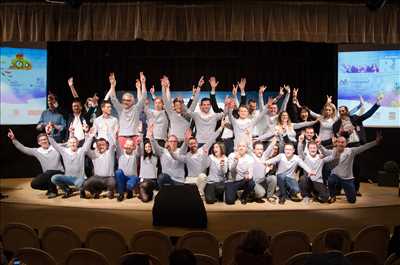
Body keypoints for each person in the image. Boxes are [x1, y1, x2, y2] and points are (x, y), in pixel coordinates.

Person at [324, 132, 382, 204]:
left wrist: (376, 142)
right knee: (330, 180)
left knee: (352, 200)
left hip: (347, 179)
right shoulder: (333, 151)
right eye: (339, 142)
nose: (340, 144)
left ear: (346, 143)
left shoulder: (351, 151)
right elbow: (324, 151)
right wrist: (318, 145)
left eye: (342, 142)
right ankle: (332, 196)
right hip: (336, 176)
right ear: (336, 143)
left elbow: (363, 147)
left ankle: (348, 192)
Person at [169, 122, 224, 196]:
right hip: (190, 179)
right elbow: (176, 157)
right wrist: (170, 151)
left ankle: (200, 193)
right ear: (188, 145)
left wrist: (221, 127)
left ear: (197, 144)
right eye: (191, 144)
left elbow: (212, 138)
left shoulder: (203, 149)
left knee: (203, 176)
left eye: (194, 143)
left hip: (200, 179)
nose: (193, 145)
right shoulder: (187, 156)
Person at [8, 129, 64, 199]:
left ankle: (53, 191)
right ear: (38, 143)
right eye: (41, 140)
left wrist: (72, 133)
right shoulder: (37, 151)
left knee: (49, 172)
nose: (43, 141)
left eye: (45, 139)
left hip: (59, 172)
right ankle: (51, 188)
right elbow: (23, 148)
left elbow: (69, 143)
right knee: (34, 184)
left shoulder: (56, 147)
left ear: (48, 140)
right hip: (47, 175)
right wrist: (13, 139)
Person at [49, 125, 95, 198]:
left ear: (77, 143)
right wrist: (49, 135)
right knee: (54, 178)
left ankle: (82, 191)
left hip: (79, 178)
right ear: (68, 144)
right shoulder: (64, 151)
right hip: (68, 178)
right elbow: (54, 144)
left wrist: (89, 135)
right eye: (71, 142)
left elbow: (87, 144)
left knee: (81, 183)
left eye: (74, 142)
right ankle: (67, 190)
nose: (73, 144)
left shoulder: (81, 151)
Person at [107, 72, 147, 148]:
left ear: (133, 101)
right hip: (122, 137)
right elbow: (113, 98)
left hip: (134, 137)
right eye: (124, 100)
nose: (125, 102)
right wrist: (112, 85)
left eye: (128, 100)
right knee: (122, 159)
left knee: (135, 159)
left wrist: (143, 83)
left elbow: (144, 97)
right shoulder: (120, 109)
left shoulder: (136, 108)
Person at [297, 135, 336, 203]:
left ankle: (315, 195)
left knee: (325, 197)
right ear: (308, 149)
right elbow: (300, 152)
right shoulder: (305, 157)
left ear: (317, 149)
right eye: (311, 148)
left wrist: (320, 146)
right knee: (303, 178)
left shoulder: (321, 158)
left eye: (314, 148)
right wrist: (300, 142)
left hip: (317, 182)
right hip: (308, 181)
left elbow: (332, 156)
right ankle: (306, 195)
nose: (313, 149)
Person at [162, 75, 201, 143]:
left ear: (183, 105)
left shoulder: (187, 115)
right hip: (173, 142)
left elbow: (195, 102)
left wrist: (199, 87)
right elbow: (165, 100)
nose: (179, 106)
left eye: (180, 104)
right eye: (176, 105)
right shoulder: (171, 113)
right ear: (173, 106)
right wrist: (163, 87)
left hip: (185, 143)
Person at [225, 140, 256, 205]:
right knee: (230, 201)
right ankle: (235, 194)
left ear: (246, 149)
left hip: (243, 181)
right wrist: (236, 160)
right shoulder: (231, 155)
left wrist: (248, 177)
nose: (241, 148)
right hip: (232, 181)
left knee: (252, 183)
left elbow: (250, 174)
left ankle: (243, 196)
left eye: (243, 146)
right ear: (237, 148)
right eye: (239, 146)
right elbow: (231, 170)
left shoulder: (250, 159)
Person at [137, 138, 159, 202]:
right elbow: (139, 151)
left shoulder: (155, 156)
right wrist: (138, 144)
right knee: (145, 199)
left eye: (149, 146)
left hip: (152, 181)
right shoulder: (142, 157)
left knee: (143, 185)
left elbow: (155, 149)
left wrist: (151, 138)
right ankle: (150, 194)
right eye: (146, 147)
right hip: (143, 179)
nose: (148, 148)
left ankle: (143, 194)